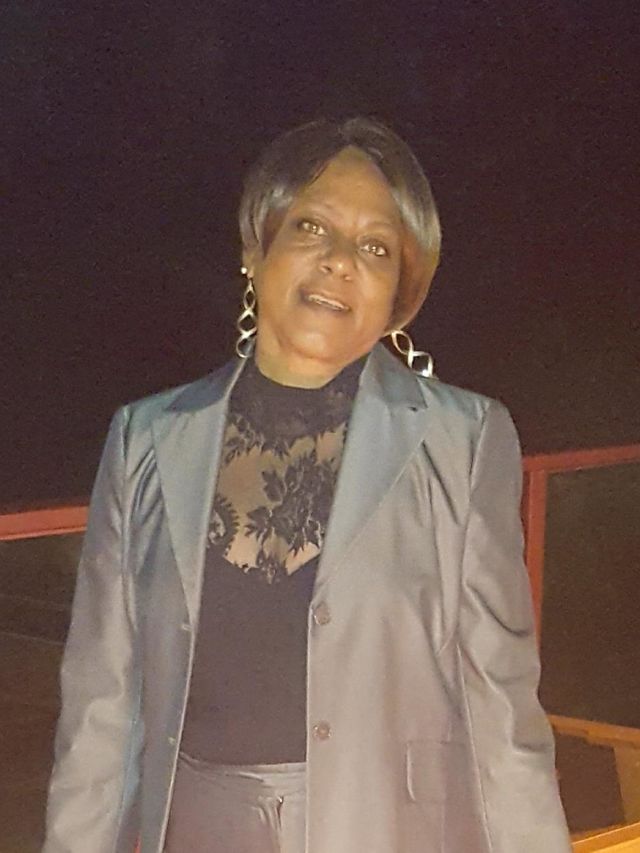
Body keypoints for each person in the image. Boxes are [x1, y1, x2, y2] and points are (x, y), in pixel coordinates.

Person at [44, 117, 571, 853]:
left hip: (388, 831)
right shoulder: (147, 440)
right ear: (257, 247)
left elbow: (502, 714)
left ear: (401, 291)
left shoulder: (464, 441)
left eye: (376, 247)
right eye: (312, 227)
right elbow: (101, 711)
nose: (340, 262)